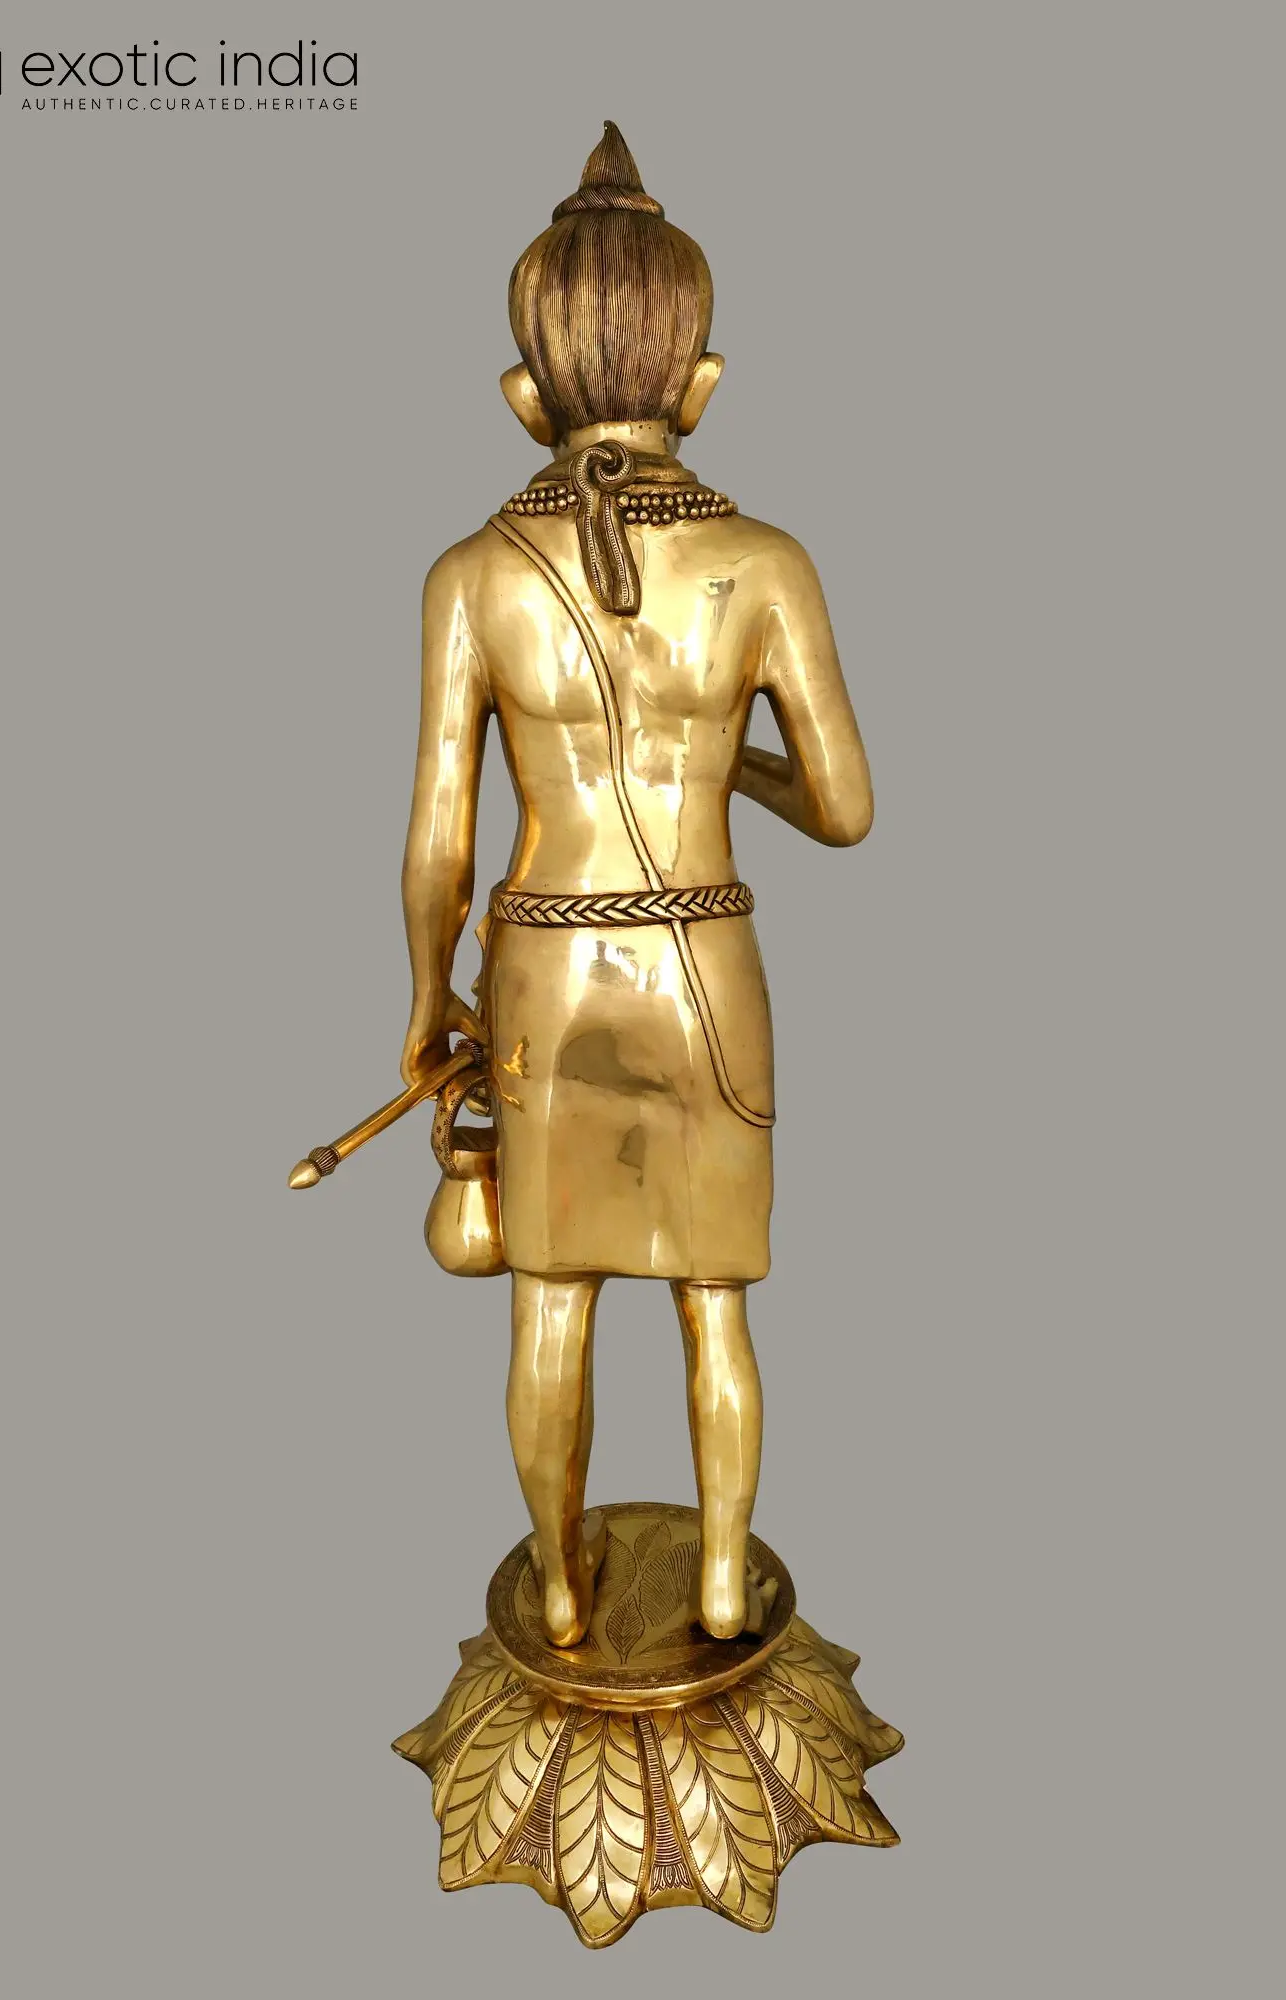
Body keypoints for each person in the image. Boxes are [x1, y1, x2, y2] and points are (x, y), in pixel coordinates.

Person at [399, 124, 872, 1649]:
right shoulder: (768, 565)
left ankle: (557, 1582)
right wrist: (723, 762)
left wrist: (425, 1003)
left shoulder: (471, 576)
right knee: (715, 1299)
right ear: (704, 383)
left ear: (523, 396)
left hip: (545, 969)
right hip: (706, 971)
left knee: (551, 1298)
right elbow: (848, 811)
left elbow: (439, 840)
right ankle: (725, 1577)